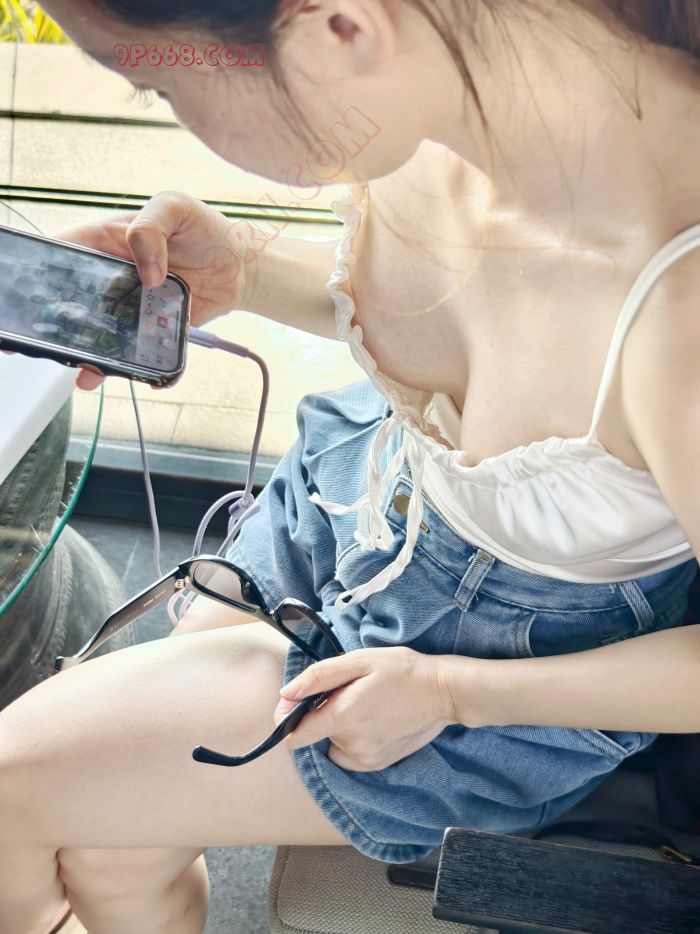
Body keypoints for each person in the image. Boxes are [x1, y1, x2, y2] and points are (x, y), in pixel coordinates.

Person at [1, 2, 700, 932]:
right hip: (342, 505)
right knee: (114, 846)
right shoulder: (457, 94)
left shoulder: (681, 318)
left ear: (341, 30)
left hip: (480, 672)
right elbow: (454, 303)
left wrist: (455, 692)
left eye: (158, 86)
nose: (176, 113)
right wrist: (246, 270)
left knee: (12, 787)